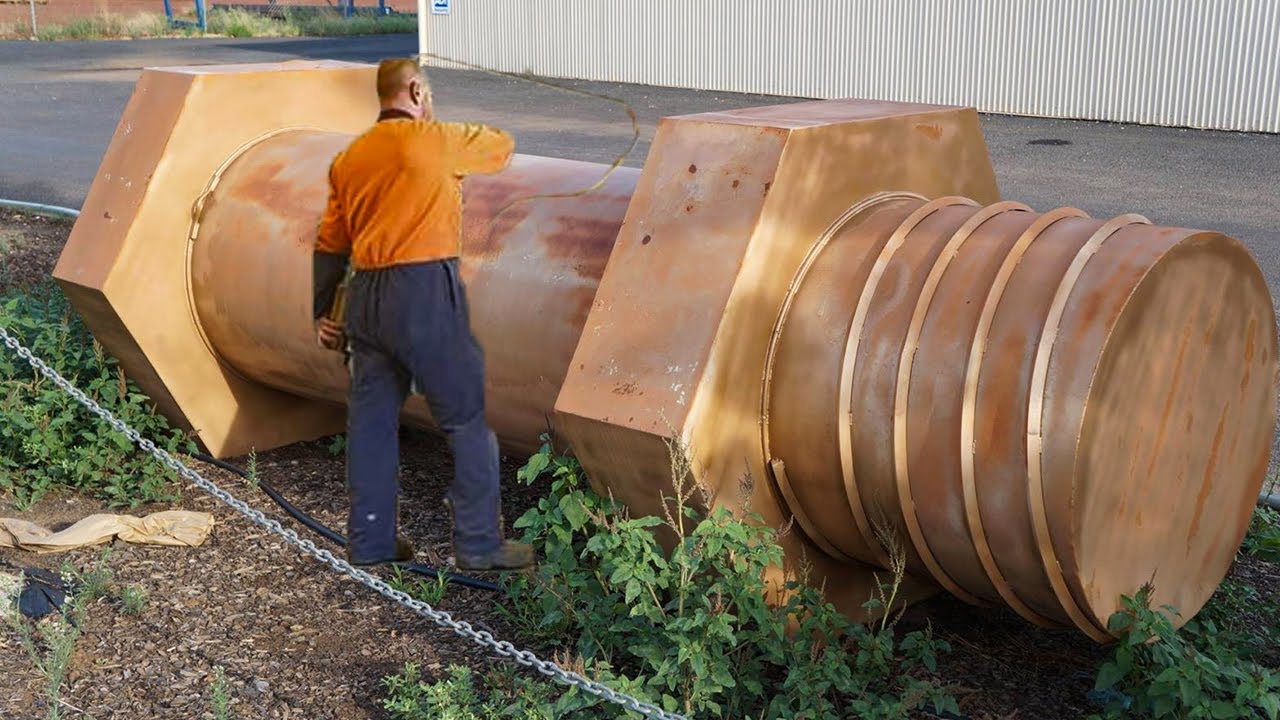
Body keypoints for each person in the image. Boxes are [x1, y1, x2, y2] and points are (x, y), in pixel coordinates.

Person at [311, 57, 534, 571]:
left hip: (365, 297)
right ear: (414, 90)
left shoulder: (350, 157)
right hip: (424, 291)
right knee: (465, 419)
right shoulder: (437, 139)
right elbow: (501, 145)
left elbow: (330, 243)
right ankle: (478, 545)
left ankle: (370, 542)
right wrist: (436, 124)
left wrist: (325, 311)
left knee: (372, 421)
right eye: (425, 93)